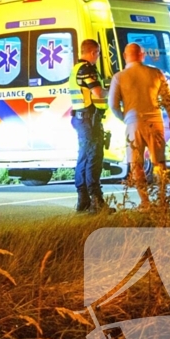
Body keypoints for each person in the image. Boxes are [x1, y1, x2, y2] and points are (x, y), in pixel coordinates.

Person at [108, 42, 170, 210]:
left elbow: (113, 105)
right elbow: (168, 100)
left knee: (136, 164)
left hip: (133, 123)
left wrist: (126, 118)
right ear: (142, 55)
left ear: (125, 56)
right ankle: (163, 200)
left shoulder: (119, 77)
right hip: (155, 123)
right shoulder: (156, 73)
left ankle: (145, 202)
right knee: (159, 162)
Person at [69, 39, 109, 214]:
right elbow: (98, 92)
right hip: (88, 119)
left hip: (81, 118)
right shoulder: (87, 69)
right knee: (94, 157)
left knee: (84, 158)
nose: (98, 57)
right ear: (94, 52)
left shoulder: (75, 69)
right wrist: (114, 89)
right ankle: (96, 201)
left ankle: (83, 200)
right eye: (98, 54)